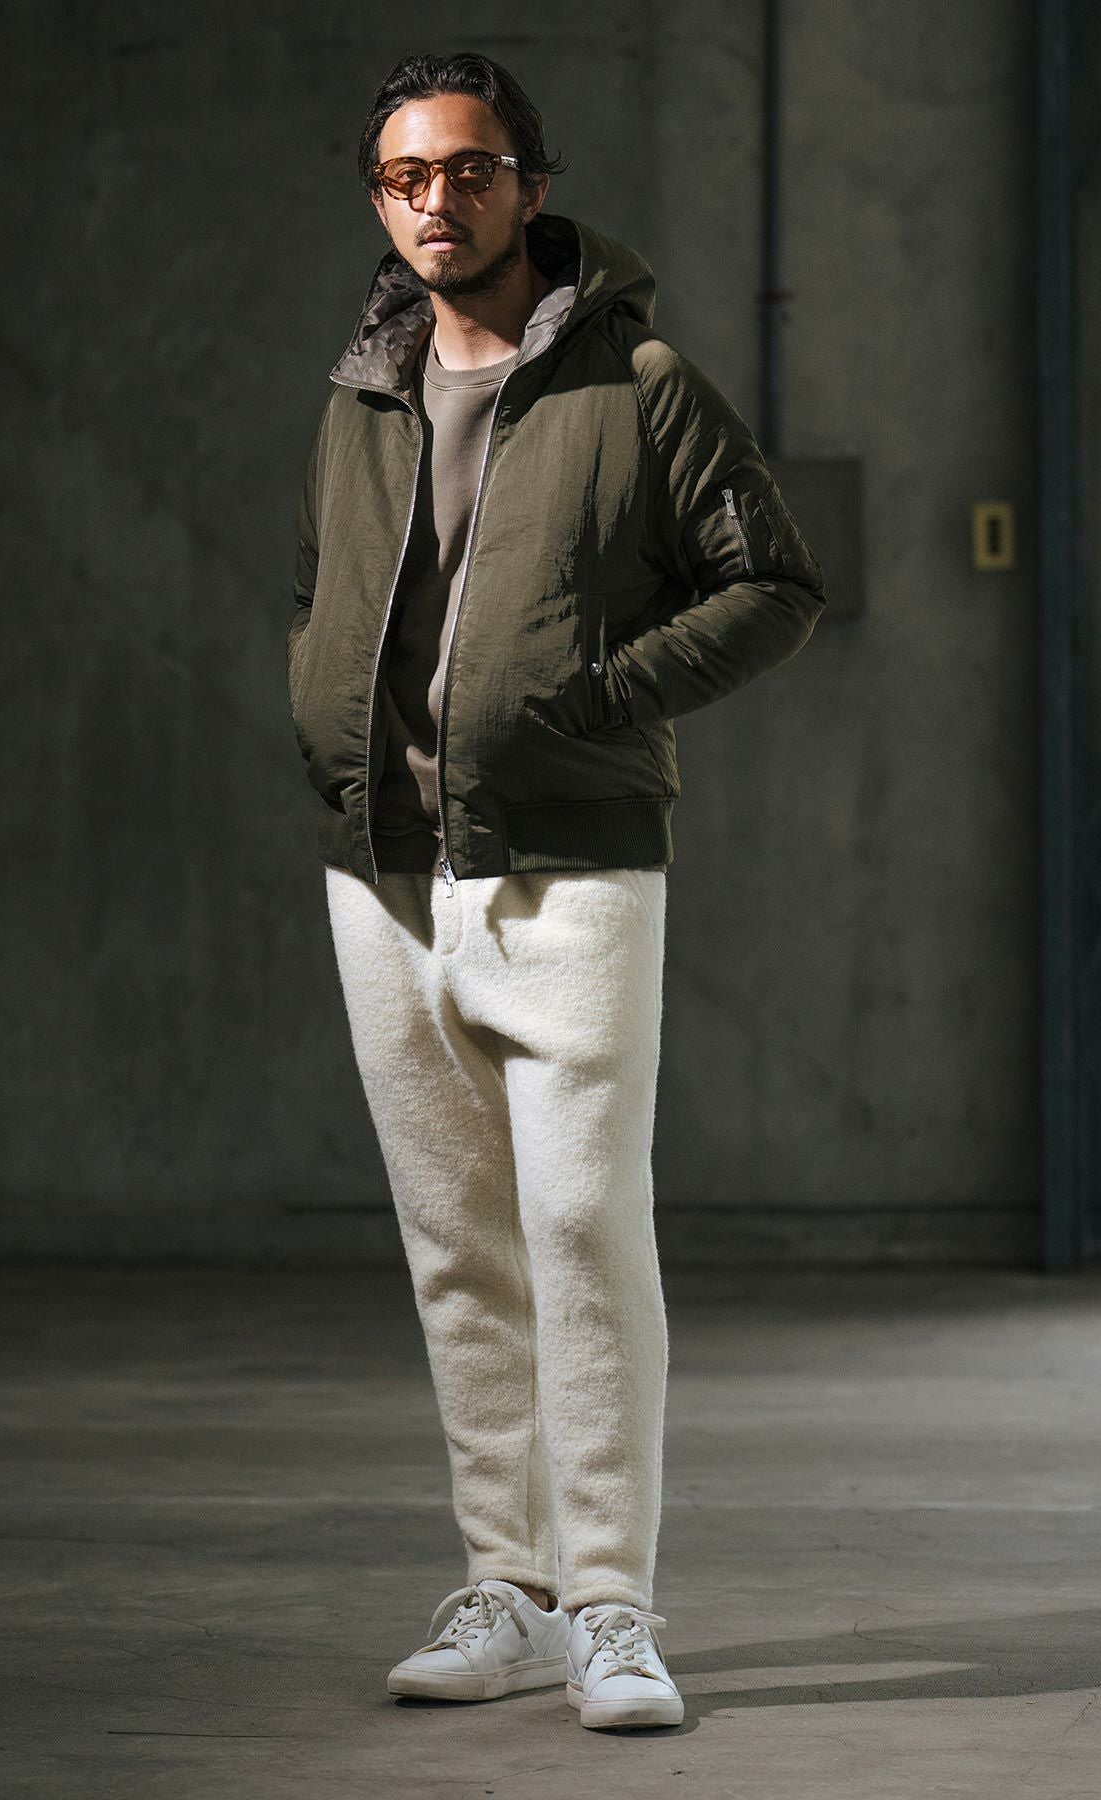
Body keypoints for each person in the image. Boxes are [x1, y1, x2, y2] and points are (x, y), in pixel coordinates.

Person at [287, 50, 826, 1731]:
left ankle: (609, 1605)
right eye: (404, 177)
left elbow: (774, 580)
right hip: (386, 875)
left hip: (574, 868)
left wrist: (596, 698)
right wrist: (318, 704)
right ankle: (507, 1589)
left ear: (531, 182)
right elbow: (328, 590)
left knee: (583, 1234)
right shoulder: (363, 389)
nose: (435, 201)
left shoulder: (638, 380)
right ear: (380, 201)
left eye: (468, 169)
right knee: (459, 1253)